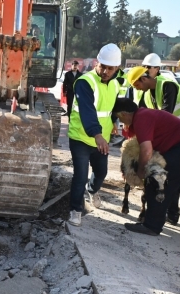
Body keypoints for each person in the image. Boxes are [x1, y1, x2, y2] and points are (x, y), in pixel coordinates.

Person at [113, 98, 180, 236]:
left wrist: (141, 171)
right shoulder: (144, 114)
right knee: (171, 184)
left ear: (122, 114)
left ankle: (152, 226)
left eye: (120, 119)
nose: (122, 123)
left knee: (156, 182)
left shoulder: (141, 118)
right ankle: (170, 215)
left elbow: (146, 150)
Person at [66, 43, 122, 227]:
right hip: (81, 137)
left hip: (101, 139)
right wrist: (97, 135)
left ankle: (92, 190)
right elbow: (87, 111)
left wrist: (114, 120)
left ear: (116, 69)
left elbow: (112, 106)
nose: (105, 71)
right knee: (80, 175)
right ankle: (75, 210)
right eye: (102, 66)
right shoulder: (85, 82)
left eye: (110, 68)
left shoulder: (114, 84)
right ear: (97, 63)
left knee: (101, 172)